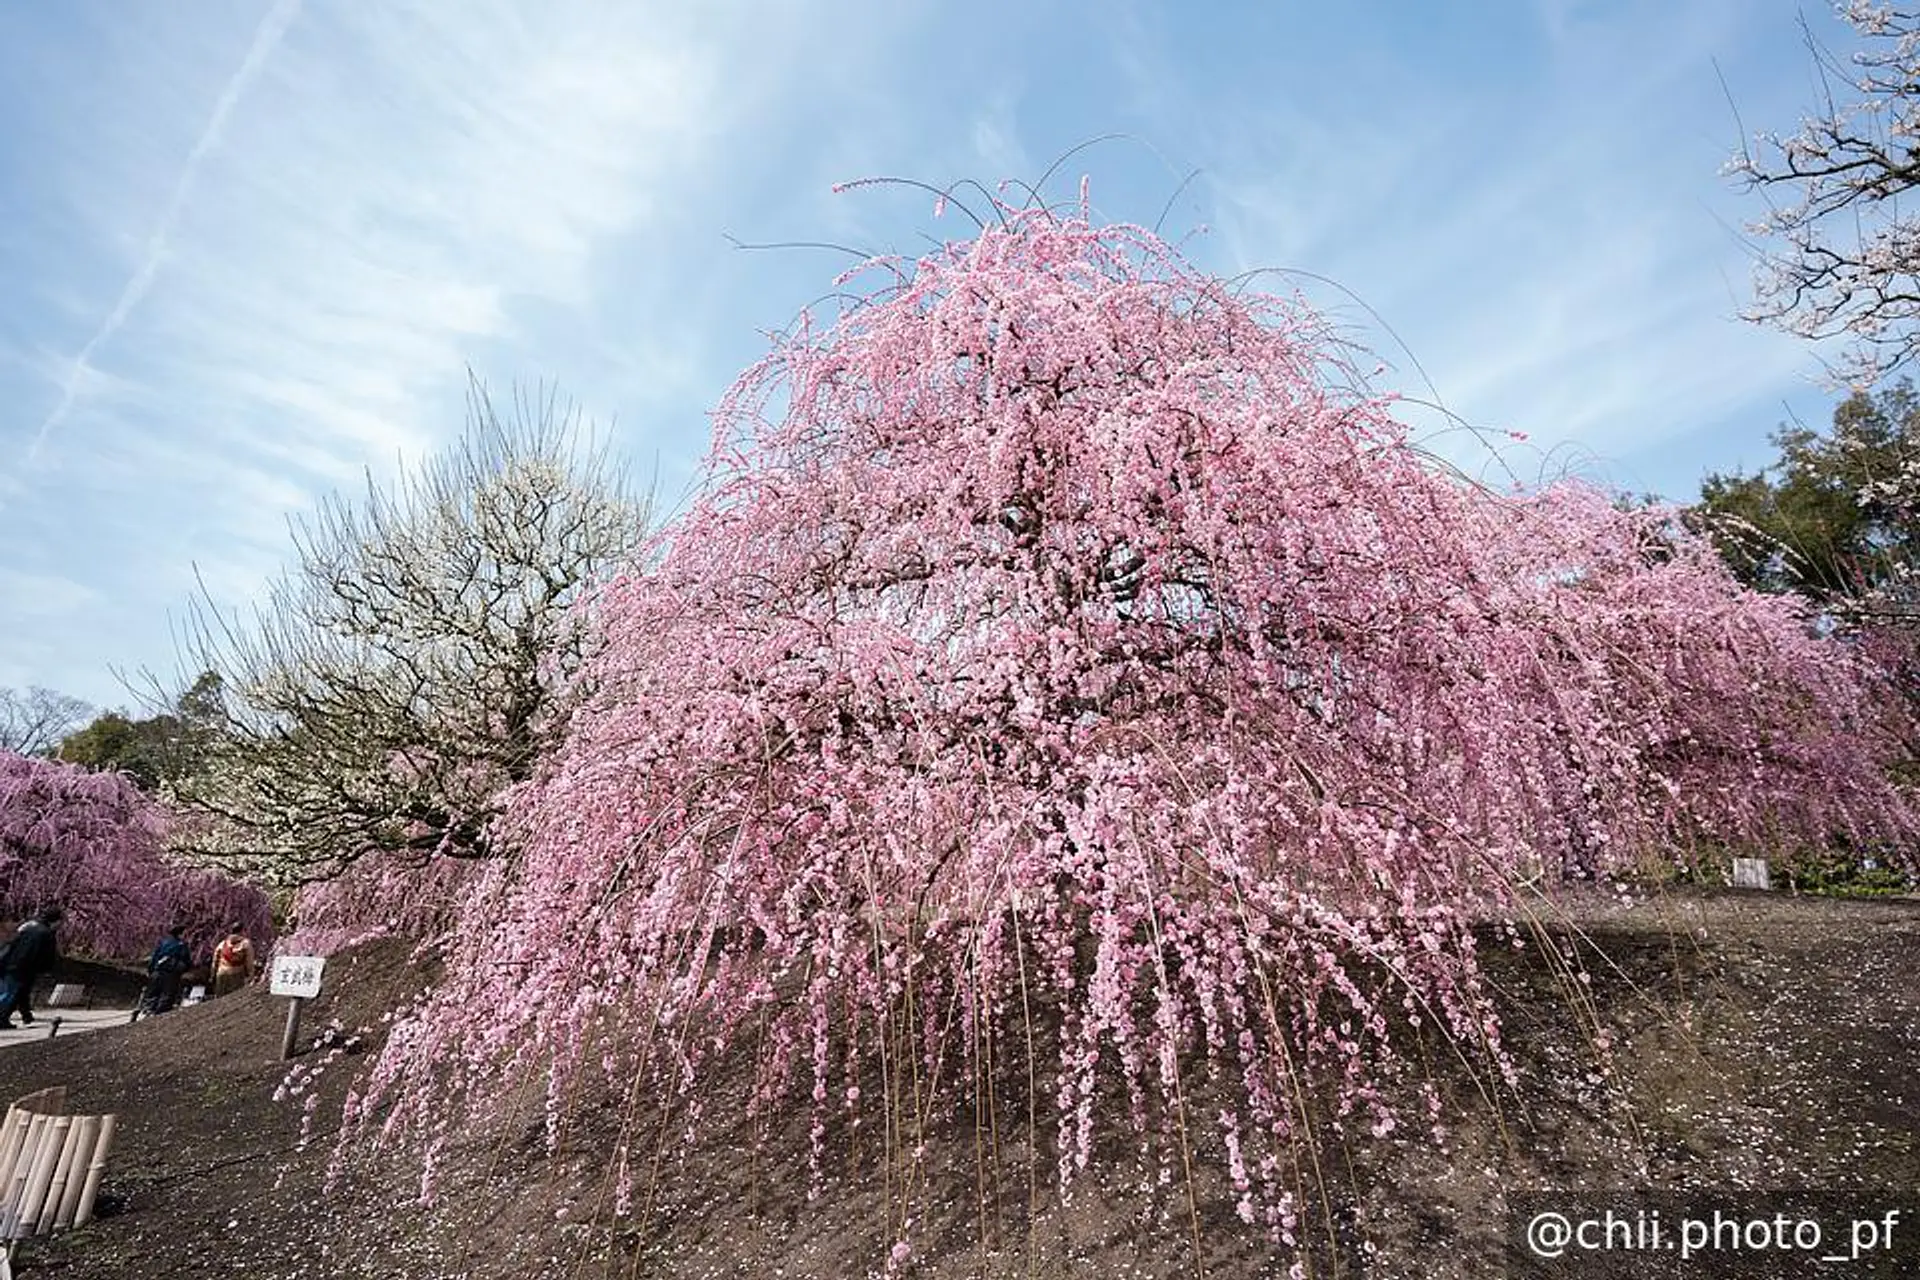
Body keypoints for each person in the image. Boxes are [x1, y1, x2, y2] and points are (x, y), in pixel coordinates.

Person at [0, 906, 65, 1028]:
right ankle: (2, 1018)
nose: (61, 925)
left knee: (13, 992)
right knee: (9, 993)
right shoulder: (46, 933)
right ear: (56, 920)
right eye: (61, 921)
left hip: (8, 963)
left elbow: (12, 942)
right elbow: (46, 956)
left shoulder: (29, 926)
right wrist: (45, 969)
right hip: (22, 967)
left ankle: (12, 1017)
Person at [139, 924, 193, 1015]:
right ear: (180, 934)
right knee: (167, 996)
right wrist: (184, 969)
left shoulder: (163, 943)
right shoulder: (181, 945)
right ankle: (159, 1014)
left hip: (157, 972)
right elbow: (186, 960)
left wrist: (151, 970)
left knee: (153, 994)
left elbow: (154, 957)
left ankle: (148, 1011)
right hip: (171, 974)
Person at [211, 922, 255, 997]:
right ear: (242, 930)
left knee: (220, 999)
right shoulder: (245, 943)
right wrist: (250, 975)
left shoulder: (222, 943)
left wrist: (212, 975)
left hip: (222, 973)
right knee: (235, 998)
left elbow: (215, 960)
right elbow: (249, 962)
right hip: (237, 974)